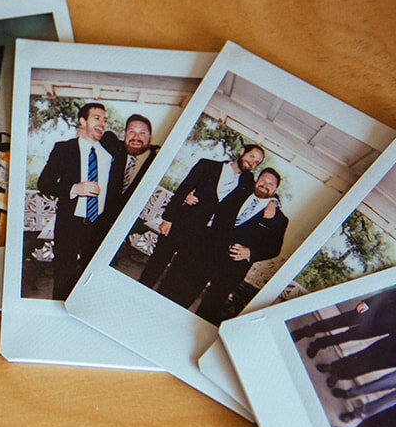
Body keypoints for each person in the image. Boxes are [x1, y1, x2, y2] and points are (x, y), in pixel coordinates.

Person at [163, 167, 289, 322]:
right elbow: (214, 202)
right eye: (262, 179)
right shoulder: (239, 192)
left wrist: (250, 253)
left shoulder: (279, 219)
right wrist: (189, 197)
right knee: (185, 292)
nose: (265, 184)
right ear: (256, 181)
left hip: (232, 269)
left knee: (209, 308)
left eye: (271, 183)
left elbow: (274, 248)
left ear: (276, 189)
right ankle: (170, 320)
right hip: (208, 254)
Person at [138, 144, 265, 293]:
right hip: (181, 224)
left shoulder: (248, 182)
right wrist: (168, 219)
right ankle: (139, 291)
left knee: (177, 274)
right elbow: (183, 189)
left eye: (257, 162)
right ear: (242, 152)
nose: (252, 162)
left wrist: (275, 201)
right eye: (251, 156)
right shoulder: (207, 165)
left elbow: (265, 191)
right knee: (157, 262)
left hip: (203, 236)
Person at [37, 102, 123, 299]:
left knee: (89, 276)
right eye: (96, 118)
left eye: (105, 120)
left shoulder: (110, 154)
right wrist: (75, 189)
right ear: (82, 121)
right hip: (70, 224)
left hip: (98, 226)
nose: (102, 123)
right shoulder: (64, 149)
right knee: (63, 275)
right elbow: (44, 183)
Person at [295, 287, 396, 354]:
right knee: (336, 322)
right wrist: (368, 303)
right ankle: (305, 331)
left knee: (347, 336)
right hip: (371, 313)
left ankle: (318, 345)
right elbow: (389, 294)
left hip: (378, 328)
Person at [108, 114, 158, 214]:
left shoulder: (156, 161)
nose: (136, 137)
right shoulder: (115, 149)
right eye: (131, 132)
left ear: (150, 138)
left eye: (142, 133)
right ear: (125, 134)